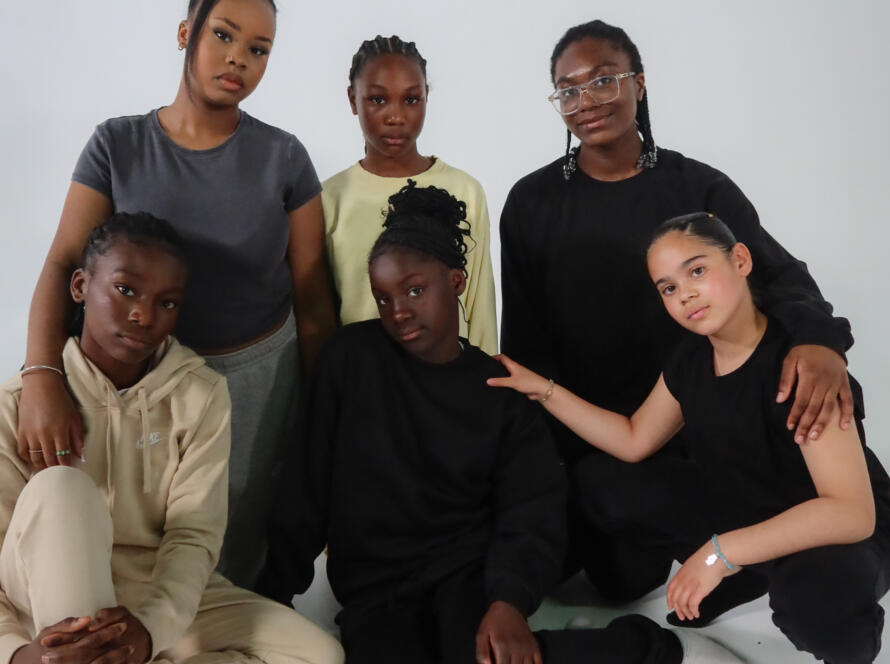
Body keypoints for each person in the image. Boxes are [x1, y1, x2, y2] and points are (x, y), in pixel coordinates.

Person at [258, 183, 742, 664]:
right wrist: (271, 595)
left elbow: (530, 508)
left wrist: (508, 601)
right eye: (383, 298)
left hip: (469, 573)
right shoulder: (350, 360)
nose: (399, 311)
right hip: (376, 584)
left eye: (414, 289)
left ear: (456, 281)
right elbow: (307, 480)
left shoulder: (499, 388)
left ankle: (642, 648)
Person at [499, 18, 855, 607]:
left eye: (605, 80)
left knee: (669, 562)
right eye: (568, 89)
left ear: (639, 83)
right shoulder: (532, 203)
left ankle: (739, 549)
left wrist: (819, 342)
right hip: (590, 431)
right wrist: (531, 468)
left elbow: (782, 276)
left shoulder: (699, 189)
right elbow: (527, 343)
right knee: (607, 579)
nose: (586, 101)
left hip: (694, 429)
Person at [17, 0, 336, 588]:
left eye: (259, 49)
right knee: (121, 534)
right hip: (135, 376)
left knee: (230, 551)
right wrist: (41, 373)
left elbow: (315, 303)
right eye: (223, 35)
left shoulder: (284, 157)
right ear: (186, 33)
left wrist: (327, 415)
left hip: (254, 378)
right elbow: (65, 261)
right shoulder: (118, 144)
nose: (238, 58)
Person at [491, 212, 890, 663]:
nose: (686, 294)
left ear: (740, 260)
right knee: (603, 481)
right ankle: (748, 574)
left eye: (697, 270)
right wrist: (543, 390)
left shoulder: (802, 365)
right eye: (668, 288)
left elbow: (852, 513)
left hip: (834, 533)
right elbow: (634, 438)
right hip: (748, 509)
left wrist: (718, 554)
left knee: (815, 601)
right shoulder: (691, 358)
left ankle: (849, 644)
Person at [0, 213, 343, 664]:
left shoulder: (200, 395)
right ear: (81, 285)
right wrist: (16, 653)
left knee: (318, 656)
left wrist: (148, 631)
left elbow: (192, 538)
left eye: (167, 303)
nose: (143, 315)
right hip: (46, 596)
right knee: (61, 486)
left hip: (156, 591)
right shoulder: (19, 403)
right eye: (125, 290)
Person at [322, 35, 497, 354]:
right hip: (363, 381)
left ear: (426, 96)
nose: (395, 116)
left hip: (447, 383)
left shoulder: (464, 191)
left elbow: (479, 307)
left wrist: (484, 388)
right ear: (352, 99)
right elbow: (321, 315)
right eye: (377, 99)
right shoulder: (329, 198)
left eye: (411, 99)